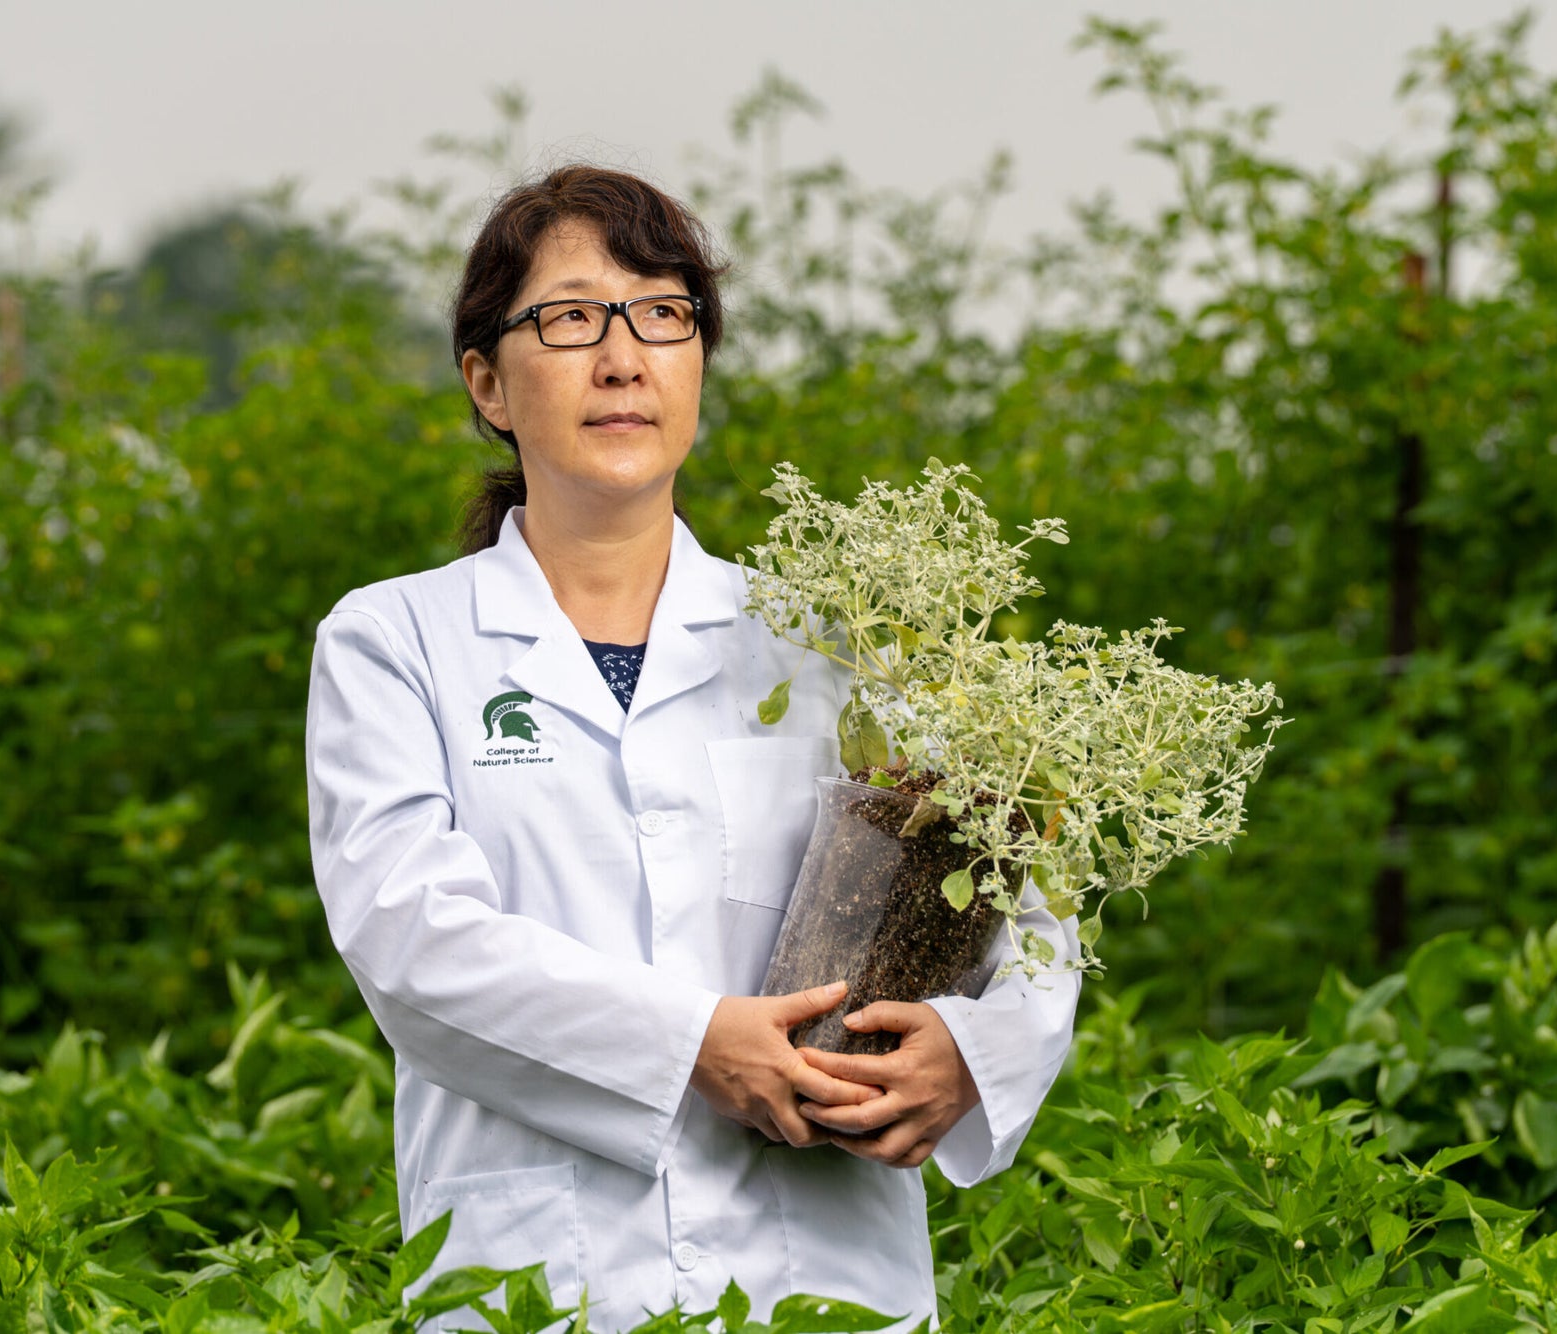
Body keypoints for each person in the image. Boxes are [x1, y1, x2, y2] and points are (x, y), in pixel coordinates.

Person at [303, 164, 1081, 1330]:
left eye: (663, 314)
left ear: (697, 362)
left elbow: (1020, 900)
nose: (623, 357)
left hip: (823, 1271)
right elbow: (411, 939)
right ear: (488, 383)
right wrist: (690, 1046)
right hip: (541, 1273)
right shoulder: (398, 641)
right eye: (569, 318)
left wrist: (969, 1052)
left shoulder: (832, 635)